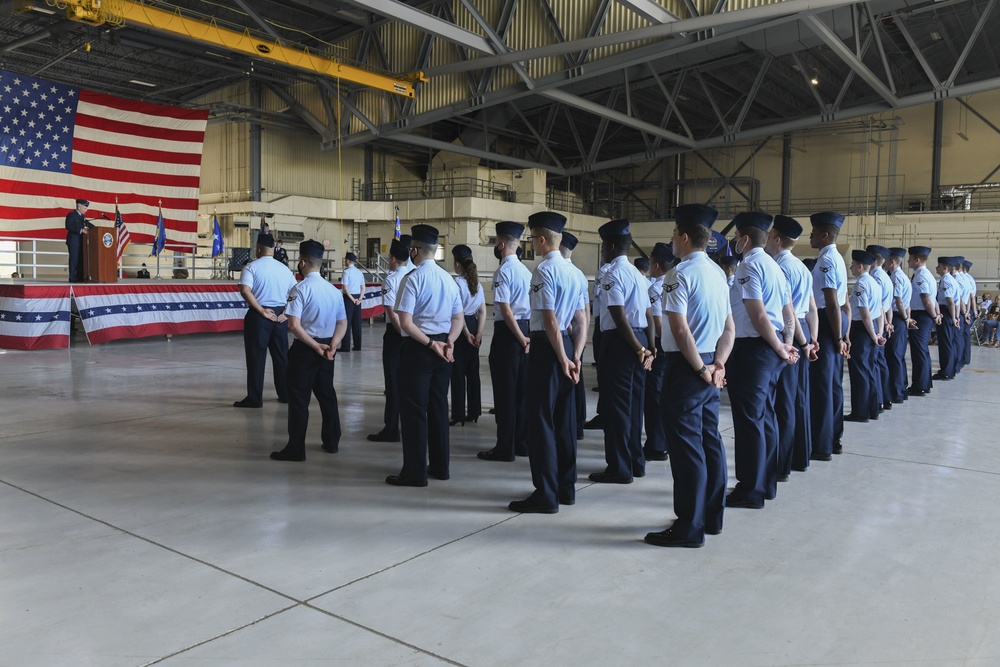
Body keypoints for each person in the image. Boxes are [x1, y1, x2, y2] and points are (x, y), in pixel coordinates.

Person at [644, 203, 734, 548]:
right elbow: (729, 327)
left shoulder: (679, 274)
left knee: (685, 449)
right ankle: (711, 516)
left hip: (688, 367)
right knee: (708, 439)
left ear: (683, 237)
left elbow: (680, 330)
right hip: (711, 361)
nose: (671, 242)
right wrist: (719, 365)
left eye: (672, 235)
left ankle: (688, 527)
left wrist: (699, 369)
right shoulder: (716, 274)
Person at [508, 212, 588, 514]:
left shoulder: (544, 271)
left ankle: (546, 494)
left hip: (548, 348)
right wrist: (576, 355)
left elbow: (551, 320)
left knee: (540, 421)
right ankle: (566, 488)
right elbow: (582, 319)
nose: (531, 243)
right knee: (565, 422)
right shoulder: (576, 273)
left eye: (532, 238)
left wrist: (562, 357)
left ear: (542, 240)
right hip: (568, 347)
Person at [726, 211, 798, 509]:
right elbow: (788, 313)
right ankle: (765, 484)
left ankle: (750, 490)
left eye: (735, 238)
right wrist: (787, 343)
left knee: (750, 423)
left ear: (744, 239)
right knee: (765, 419)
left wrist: (781, 348)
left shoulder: (748, 266)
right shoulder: (774, 266)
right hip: (770, 349)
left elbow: (757, 315)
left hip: (753, 350)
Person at [386, 224, 463, 487]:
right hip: (444, 350)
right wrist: (449, 342)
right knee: (439, 407)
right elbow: (458, 318)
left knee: (414, 411)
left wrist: (431, 344)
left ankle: (415, 473)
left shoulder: (413, 278)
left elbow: (405, 323)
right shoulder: (448, 279)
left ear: (416, 250)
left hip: (421, 349)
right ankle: (441, 467)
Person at [270, 240, 347, 461]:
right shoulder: (333, 290)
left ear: (302, 262)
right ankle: (332, 441)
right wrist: (333, 344)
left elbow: (293, 325)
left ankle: (296, 449)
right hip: (328, 350)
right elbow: (342, 323)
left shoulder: (300, 288)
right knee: (327, 395)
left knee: (299, 400)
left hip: (306, 350)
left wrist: (314, 346)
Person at [590, 218, 653, 484]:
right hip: (639, 340)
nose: (603, 251)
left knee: (617, 409)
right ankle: (635, 462)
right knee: (634, 406)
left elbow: (618, 315)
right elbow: (648, 312)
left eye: (604, 246)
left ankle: (619, 468)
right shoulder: (637, 275)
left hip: (620, 342)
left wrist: (638, 348)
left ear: (611, 246)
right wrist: (650, 347)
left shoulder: (612, 274)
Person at [766, 215, 818, 476]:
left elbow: (789, 312)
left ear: (776, 239)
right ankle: (800, 456)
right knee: (798, 399)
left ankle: (782, 464)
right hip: (802, 330)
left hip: (791, 332)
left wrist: (802, 341)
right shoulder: (801, 266)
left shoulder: (780, 267)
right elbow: (811, 308)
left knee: (784, 402)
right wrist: (812, 338)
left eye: (768, 235)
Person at [481, 222, 532, 462]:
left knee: (505, 393)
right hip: (526, 329)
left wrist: (519, 338)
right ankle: (522, 443)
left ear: (501, 244)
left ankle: (504, 448)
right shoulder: (526, 271)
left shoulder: (503, 271)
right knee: (522, 392)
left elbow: (505, 309)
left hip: (509, 334)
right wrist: (526, 336)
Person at [235, 232, 297, 409]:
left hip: (259, 315)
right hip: (280, 316)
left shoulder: (251, 267)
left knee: (256, 357)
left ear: (259, 248)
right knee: (281, 357)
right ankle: (285, 394)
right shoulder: (284, 269)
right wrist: (287, 311)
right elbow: (296, 291)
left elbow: (246, 291)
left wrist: (261, 310)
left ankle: (255, 399)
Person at [808, 212, 850, 461]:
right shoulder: (837, 258)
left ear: (824, 235)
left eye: (813, 233)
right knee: (833, 385)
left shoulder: (825, 261)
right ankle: (833, 438)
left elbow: (833, 303)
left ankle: (821, 445)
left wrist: (837, 338)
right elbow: (845, 303)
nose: (811, 236)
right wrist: (844, 334)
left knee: (822, 387)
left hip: (826, 322)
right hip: (836, 323)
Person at [367, 236, 413, 443]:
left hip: (397, 334)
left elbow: (392, 312)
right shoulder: (413, 275)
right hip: (414, 333)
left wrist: (403, 333)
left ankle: (391, 428)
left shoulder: (391, 279)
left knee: (393, 383)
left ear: (393, 258)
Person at [642, 242, 676, 463]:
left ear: (655, 264)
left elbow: (658, 321)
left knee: (654, 396)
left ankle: (656, 444)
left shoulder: (656, 288)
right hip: (676, 346)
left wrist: (656, 348)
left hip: (661, 346)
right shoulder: (675, 281)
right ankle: (664, 440)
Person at [845, 250, 885, 423]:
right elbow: (880, 311)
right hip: (872, 328)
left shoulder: (861, 284)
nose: (851, 267)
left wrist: (872, 335)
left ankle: (860, 412)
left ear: (860, 266)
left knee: (859, 372)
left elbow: (865, 314)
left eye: (852, 264)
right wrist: (879, 333)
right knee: (870, 370)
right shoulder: (875, 283)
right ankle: (872, 409)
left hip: (862, 329)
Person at [559, 231, 591, 441]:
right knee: (576, 383)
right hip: (579, 334)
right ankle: (578, 424)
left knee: (563, 387)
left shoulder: (556, 270)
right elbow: (585, 310)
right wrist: (584, 335)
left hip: (565, 334)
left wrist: (572, 331)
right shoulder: (579, 273)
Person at [450, 245, 486, 426]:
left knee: (458, 373)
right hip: (474, 325)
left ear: (457, 263)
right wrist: (478, 333)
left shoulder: (457, 283)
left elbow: (458, 312)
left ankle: (458, 414)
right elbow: (483, 311)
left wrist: (465, 333)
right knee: (473, 372)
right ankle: (474, 411)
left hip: (461, 327)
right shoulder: (477, 284)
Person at [906, 246, 938, 396]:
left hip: (921, 315)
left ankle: (920, 386)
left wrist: (933, 316)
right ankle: (923, 383)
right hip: (924, 315)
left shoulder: (920, 276)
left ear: (916, 260)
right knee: (921, 351)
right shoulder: (928, 274)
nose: (908, 261)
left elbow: (926, 299)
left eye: (910, 258)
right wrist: (935, 314)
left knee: (919, 352)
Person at [866, 245, 893, 411]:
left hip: (875, 322)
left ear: (873, 261)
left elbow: (876, 307)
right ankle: (884, 398)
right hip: (880, 322)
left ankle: (878, 400)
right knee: (880, 362)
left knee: (873, 363)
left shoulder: (875, 278)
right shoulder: (885, 277)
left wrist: (879, 330)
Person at [885, 248, 912, 404]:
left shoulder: (896, 277)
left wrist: (905, 317)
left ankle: (896, 392)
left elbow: (899, 301)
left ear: (892, 261)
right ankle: (901, 388)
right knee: (899, 356)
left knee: (894, 356)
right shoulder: (903, 276)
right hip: (902, 318)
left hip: (897, 317)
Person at [933, 256, 960, 382]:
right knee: (948, 342)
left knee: (945, 343)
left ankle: (946, 372)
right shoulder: (952, 280)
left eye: (938, 266)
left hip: (946, 311)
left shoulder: (946, 281)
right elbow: (957, 301)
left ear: (944, 268)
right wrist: (956, 316)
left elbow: (950, 302)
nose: (936, 268)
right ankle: (949, 369)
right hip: (950, 312)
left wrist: (953, 317)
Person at [339, 252, 365, 352]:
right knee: (357, 323)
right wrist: (359, 299)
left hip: (349, 299)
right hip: (358, 298)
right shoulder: (359, 272)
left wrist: (352, 299)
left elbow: (345, 288)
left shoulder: (346, 272)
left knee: (346, 322)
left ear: (348, 261)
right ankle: (358, 346)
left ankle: (345, 346)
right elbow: (363, 287)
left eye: (345, 259)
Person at [65, 198, 95, 283]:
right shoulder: (72, 215)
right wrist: (81, 230)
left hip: (81, 241)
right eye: (85, 208)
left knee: (80, 259)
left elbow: (87, 224)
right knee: (74, 259)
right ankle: (73, 278)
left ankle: (79, 276)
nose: (86, 210)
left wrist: (96, 228)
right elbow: (68, 226)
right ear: (79, 207)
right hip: (73, 241)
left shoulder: (82, 216)